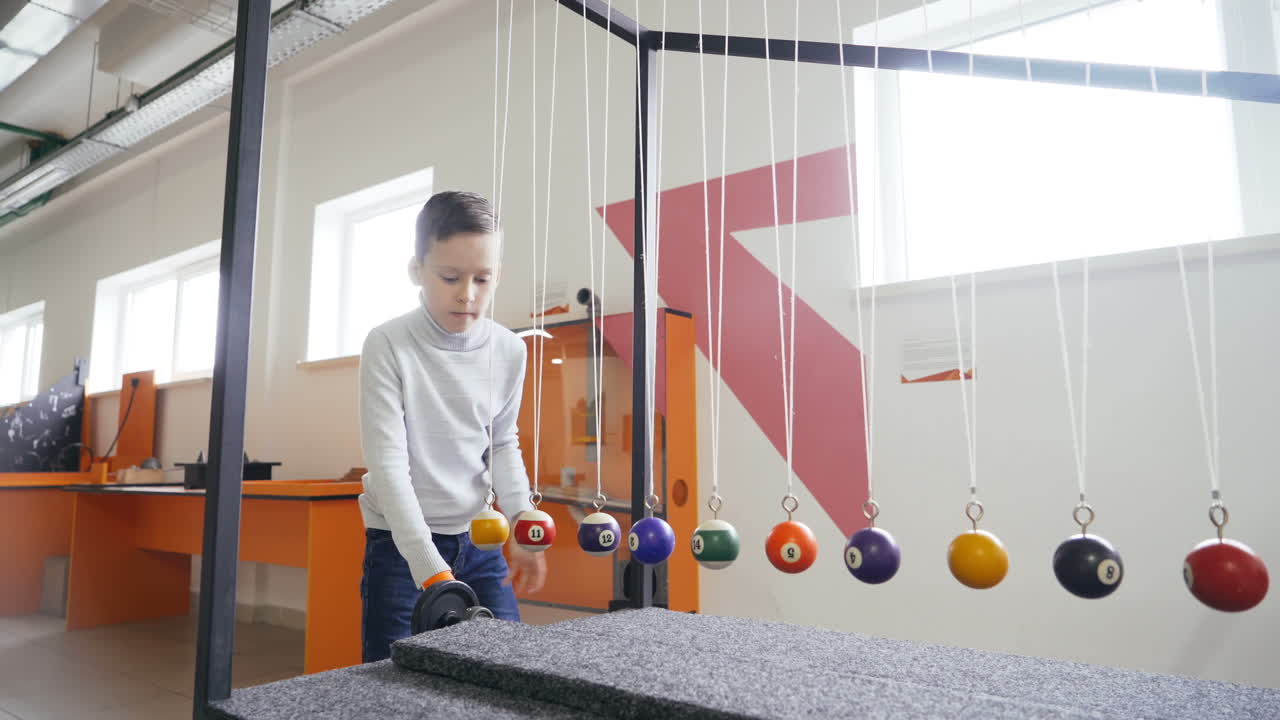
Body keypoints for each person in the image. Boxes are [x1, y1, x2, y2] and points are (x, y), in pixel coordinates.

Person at [358, 190, 544, 663]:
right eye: (449, 277)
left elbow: (502, 443)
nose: (468, 294)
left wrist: (521, 521)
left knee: (511, 670)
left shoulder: (508, 350)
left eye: (483, 279)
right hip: (401, 549)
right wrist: (428, 565)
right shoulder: (388, 344)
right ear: (416, 270)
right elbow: (388, 465)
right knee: (390, 682)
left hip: (481, 542)